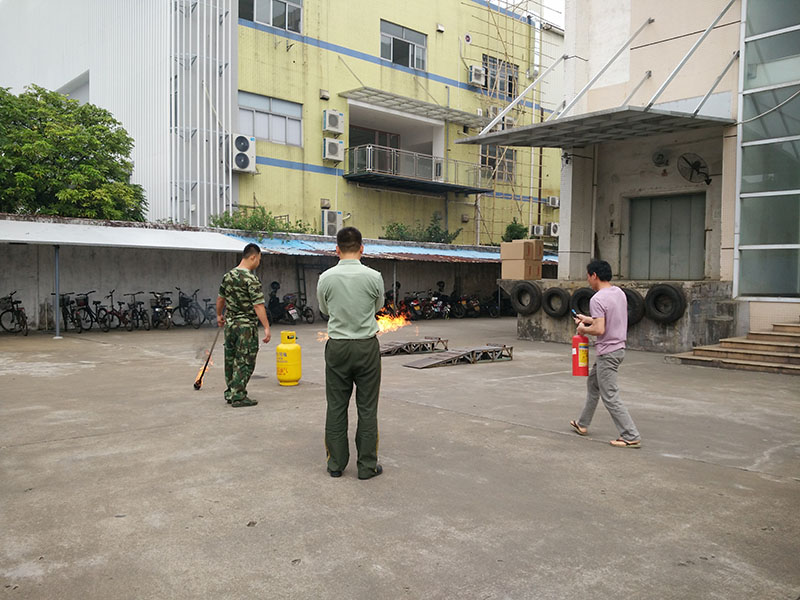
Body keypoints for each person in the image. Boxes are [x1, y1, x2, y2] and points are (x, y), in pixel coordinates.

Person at [317, 227, 385, 479]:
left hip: (337, 346)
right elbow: (378, 305)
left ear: (336, 249)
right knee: (367, 407)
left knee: (336, 405)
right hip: (366, 345)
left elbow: (324, 308)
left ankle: (335, 464)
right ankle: (366, 467)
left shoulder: (326, 277)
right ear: (361, 248)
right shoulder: (373, 276)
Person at [569, 259, 641, 448]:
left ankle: (630, 434)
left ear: (594, 275)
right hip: (617, 349)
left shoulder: (597, 299)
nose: (587, 280)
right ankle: (582, 424)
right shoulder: (618, 293)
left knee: (610, 395)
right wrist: (587, 319)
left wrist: (583, 330)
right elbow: (607, 319)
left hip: (608, 352)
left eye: (588, 276)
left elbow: (600, 329)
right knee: (593, 385)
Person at [216, 243, 271, 408]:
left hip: (230, 324)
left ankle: (231, 392)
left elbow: (220, 299)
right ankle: (239, 395)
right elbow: (258, 305)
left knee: (230, 358)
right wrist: (266, 327)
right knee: (245, 359)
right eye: (259, 259)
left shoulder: (228, 276)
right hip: (245, 326)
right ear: (253, 257)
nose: (258, 263)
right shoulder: (251, 279)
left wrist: (219, 315)